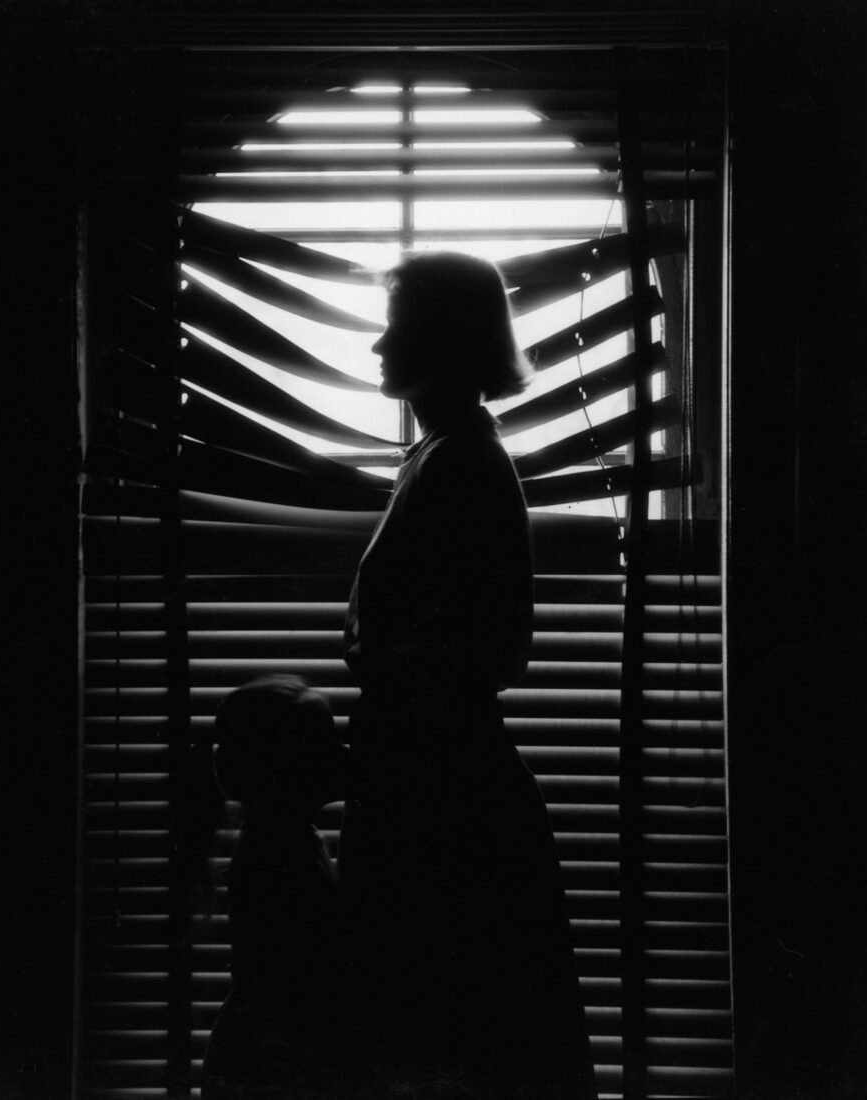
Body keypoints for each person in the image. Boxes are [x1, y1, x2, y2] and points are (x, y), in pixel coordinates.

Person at [339, 252, 596, 1100]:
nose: (379, 346)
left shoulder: (458, 466)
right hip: (432, 780)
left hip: (437, 796)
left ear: (441, 341)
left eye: (398, 326)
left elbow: (480, 647)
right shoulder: (441, 456)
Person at [184, 676, 354, 1100]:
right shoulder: (279, 854)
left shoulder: (285, 838)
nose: (341, 754)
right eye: (323, 744)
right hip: (269, 1062)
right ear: (284, 768)